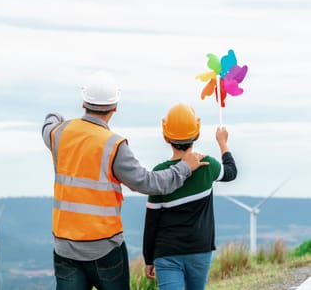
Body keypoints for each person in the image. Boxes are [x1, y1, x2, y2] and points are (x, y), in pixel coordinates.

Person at [41, 71, 209, 290]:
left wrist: (57, 118)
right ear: (115, 107)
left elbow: (48, 123)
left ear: (84, 103)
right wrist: (184, 167)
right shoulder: (114, 145)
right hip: (105, 248)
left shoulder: (59, 134)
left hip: (65, 247)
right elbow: (150, 183)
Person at [142, 103, 238, 290]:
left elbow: (151, 221)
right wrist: (223, 142)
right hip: (200, 250)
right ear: (197, 134)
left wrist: (148, 258)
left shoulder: (160, 173)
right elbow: (231, 172)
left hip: (166, 252)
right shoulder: (207, 165)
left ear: (165, 137)